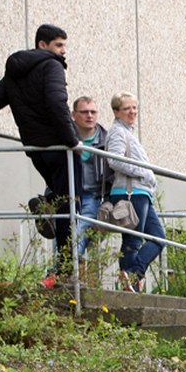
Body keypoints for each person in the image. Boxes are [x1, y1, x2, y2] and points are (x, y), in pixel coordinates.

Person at [0, 24, 78, 281]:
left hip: (35, 149)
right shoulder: (51, 66)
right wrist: (72, 140)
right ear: (42, 45)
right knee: (70, 203)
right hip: (58, 146)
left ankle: (44, 204)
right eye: (58, 45)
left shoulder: (15, 73)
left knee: (60, 196)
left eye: (64, 46)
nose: (63, 52)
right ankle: (65, 270)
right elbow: (57, 103)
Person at [104, 94, 167, 292]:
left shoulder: (128, 132)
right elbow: (114, 160)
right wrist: (144, 173)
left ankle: (132, 275)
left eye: (134, 108)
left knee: (158, 238)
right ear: (116, 112)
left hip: (141, 192)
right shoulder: (117, 132)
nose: (132, 112)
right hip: (130, 192)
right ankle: (131, 283)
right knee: (133, 240)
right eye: (127, 109)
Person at [70, 97, 108, 262]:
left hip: (92, 195)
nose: (89, 116)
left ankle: (64, 270)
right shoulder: (66, 137)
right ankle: (63, 272)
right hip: (70, 192)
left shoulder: (106, 140)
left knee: (81, 228)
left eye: (93, 112)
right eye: (84, 112)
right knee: (63, 230)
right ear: (74, 114)